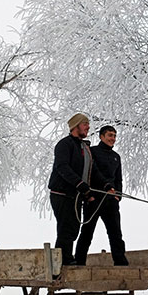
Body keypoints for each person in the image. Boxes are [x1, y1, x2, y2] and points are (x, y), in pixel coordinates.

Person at [48, 113, 113, 266]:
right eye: (85, 124)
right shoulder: (64, 144)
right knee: (66, 228)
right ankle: (63, 262)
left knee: (74, 228)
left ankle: (66, 259)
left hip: (76, 195)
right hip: (62, 194)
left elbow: (93, 170)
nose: (88, 127)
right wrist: (79, 183)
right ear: (76, 126)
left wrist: (106, 185)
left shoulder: (84, 147)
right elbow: (62, 167)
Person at [74, 125, 129, 266]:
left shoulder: (116, 157)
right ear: (101, 136)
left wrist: (118, 196)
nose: (113, 139)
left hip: (111, 200)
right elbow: (90, 174)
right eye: (110, 135)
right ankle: (79, 262)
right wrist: (89, 196)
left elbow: (118, 179)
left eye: (115, 136)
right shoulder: (92, 152)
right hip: (94, 199)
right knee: (87, 232)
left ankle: (120, 262)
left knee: (116, 233)